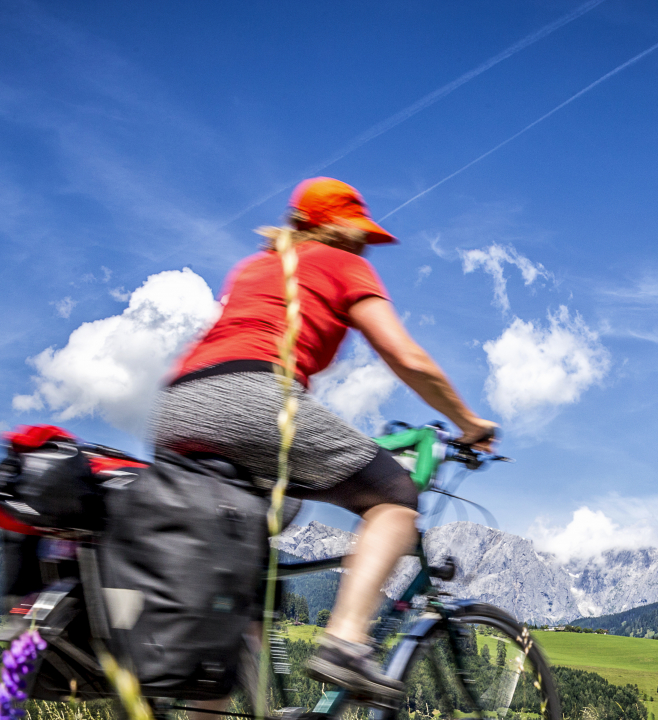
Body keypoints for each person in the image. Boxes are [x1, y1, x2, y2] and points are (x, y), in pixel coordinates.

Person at [149, 177, 497, 707]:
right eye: (359, 233)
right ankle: (346, 640)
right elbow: (406, 357)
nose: (363, 245)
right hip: (253, 398)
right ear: (335, 228)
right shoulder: (339, 262)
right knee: (395, 496)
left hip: (176, 411)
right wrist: (469, 422)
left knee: (240, 578)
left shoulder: (255, 266)